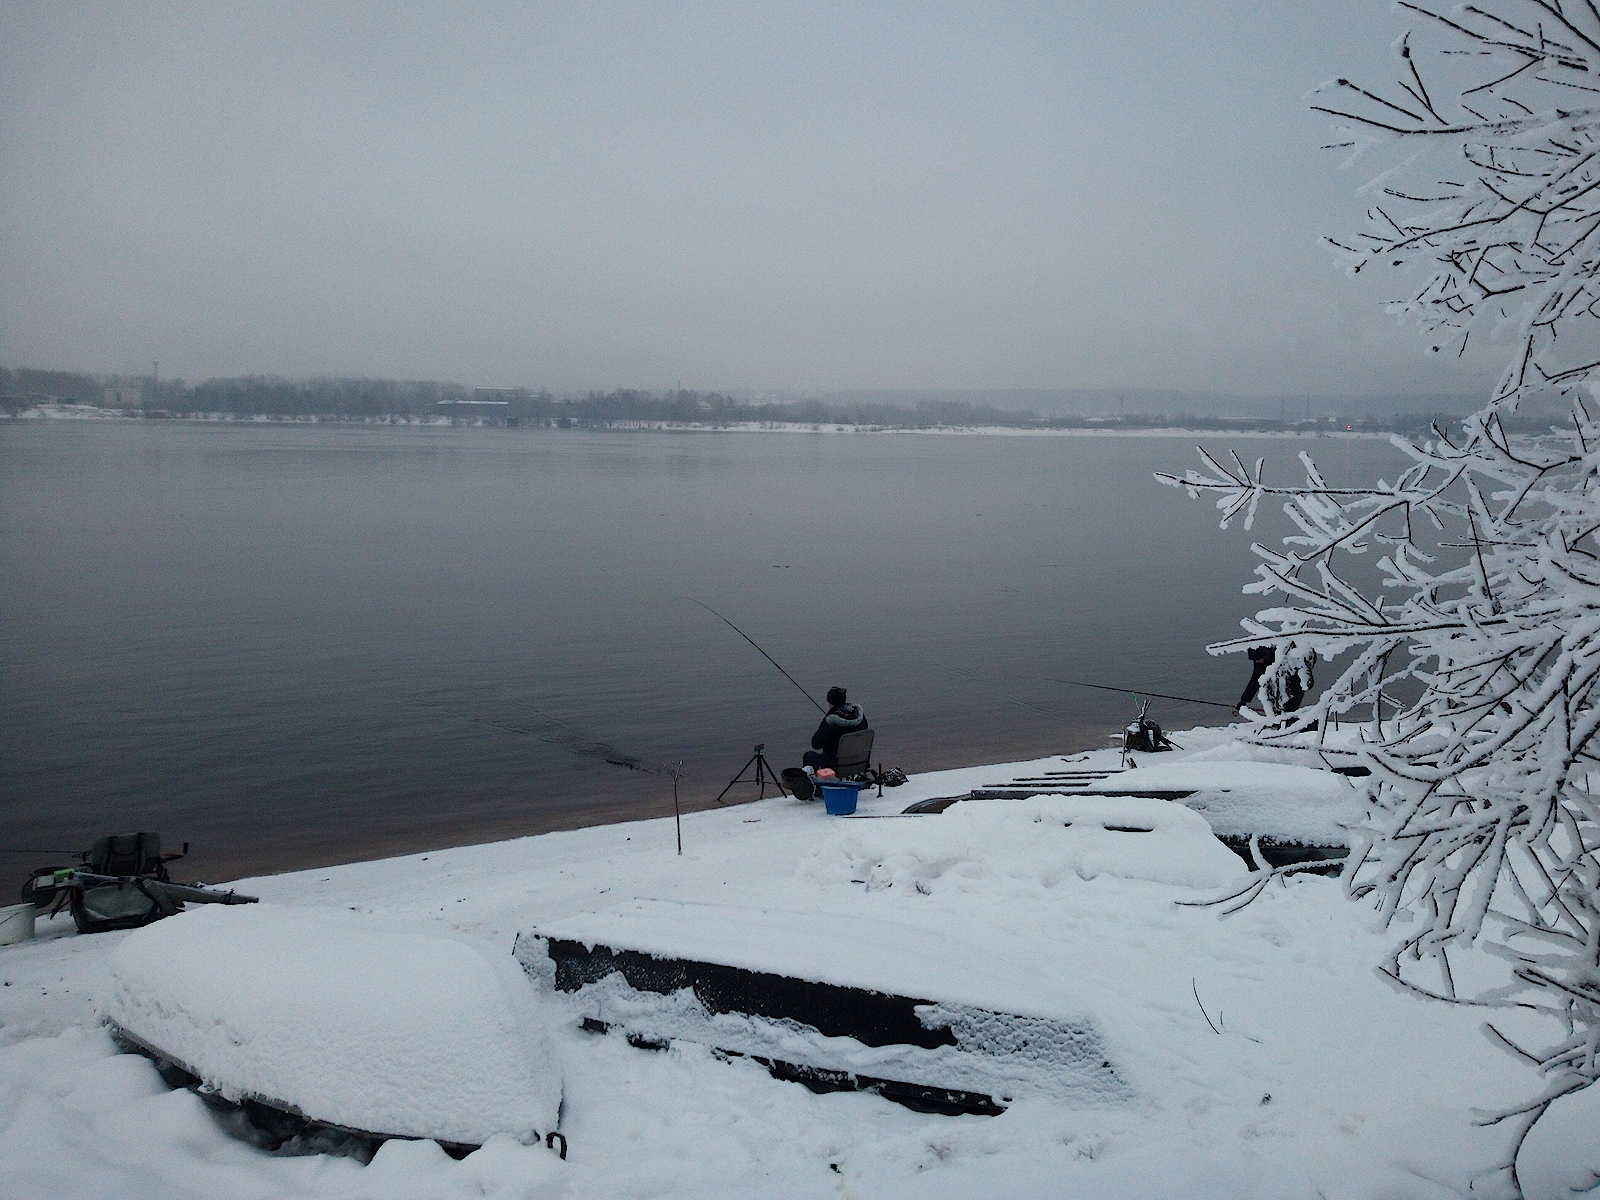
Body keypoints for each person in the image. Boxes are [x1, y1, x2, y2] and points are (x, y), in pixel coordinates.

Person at [805, 686, 868, 770]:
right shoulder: (860, 717)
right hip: (859, 761)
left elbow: (816, 743)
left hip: (834, 764)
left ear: (830, 702)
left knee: (808, 756)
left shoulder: (831, 721)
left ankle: (813, 781)